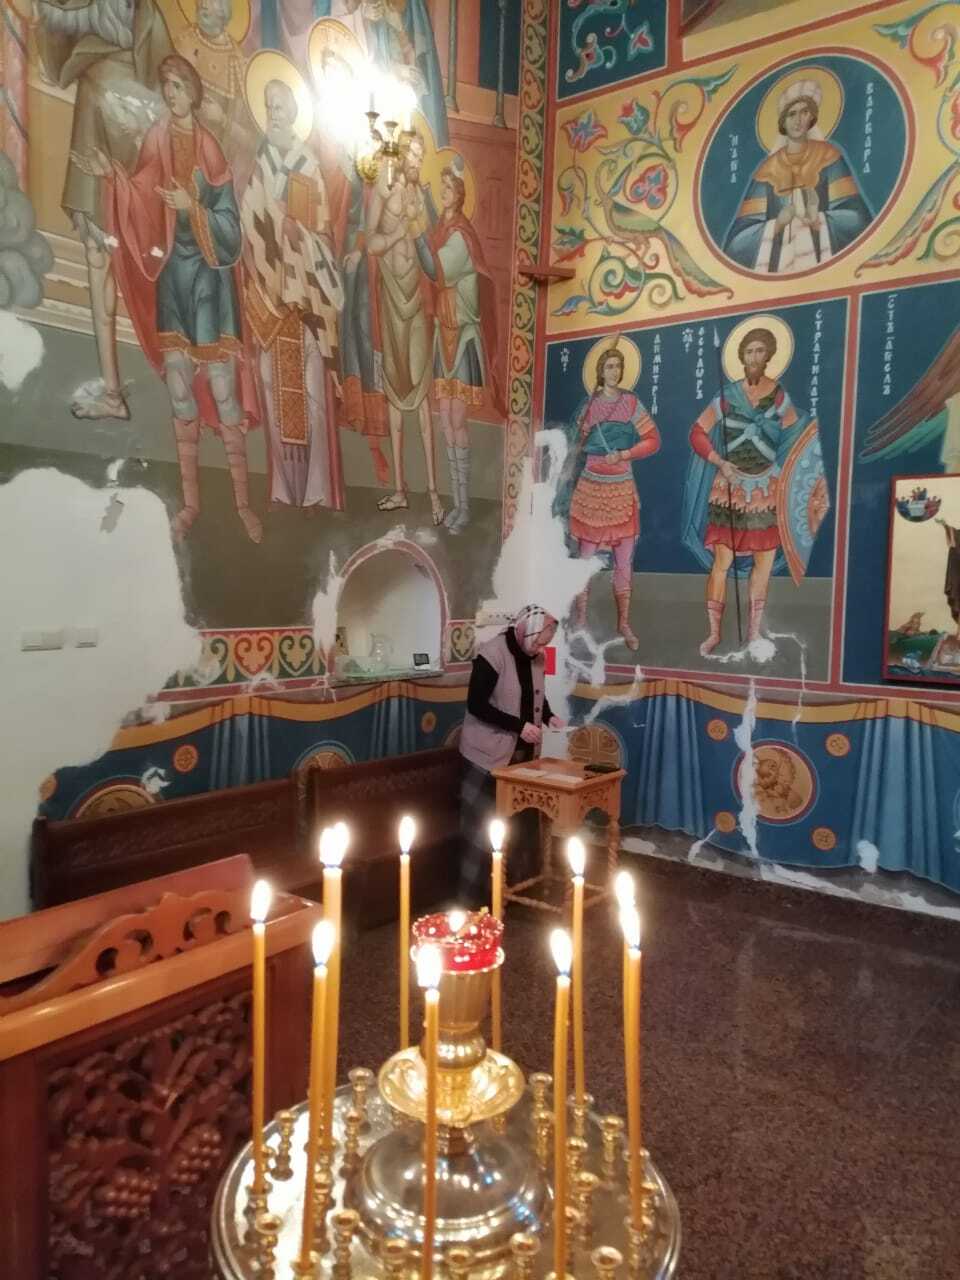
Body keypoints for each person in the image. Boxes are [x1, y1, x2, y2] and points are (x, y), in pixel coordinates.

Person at [75, 54, 262, 542]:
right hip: (173, 277)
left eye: (178, 86)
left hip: (210, 281)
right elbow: (141, 193)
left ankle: (243, 504)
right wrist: (111, 175)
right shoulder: (157, 137)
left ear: (193, 92)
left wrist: (193, 205)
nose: (171, 94)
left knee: (222, 388)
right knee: (179, 385)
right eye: (167, 86)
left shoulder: (210, 148)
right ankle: (191, 505)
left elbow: (230, 228)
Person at [33, 0, 172, 420]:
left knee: (126, 261)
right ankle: (112, 392)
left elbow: (169, 85)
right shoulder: (101, 12)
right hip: (99, 128)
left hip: (136, 148)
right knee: (97, 258)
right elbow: (57, 21)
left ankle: (130, 390)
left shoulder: (147, 16)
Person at [241, 77, 345, 511]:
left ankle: (316, 489)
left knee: (313, 398)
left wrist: (298, 231)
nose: (274, 113)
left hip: (306, 303)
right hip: (272, 298)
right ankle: (284, 490)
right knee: (271, 389)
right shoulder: (260, 167)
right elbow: (249, 224)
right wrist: (272, 224)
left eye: (280, 105)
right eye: (268, 106)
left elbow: (323, 236)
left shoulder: (309, 168)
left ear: (295, 112)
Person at [685, 327, 805, 654]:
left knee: (763, 564)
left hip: (765, 489)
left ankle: (752, 633)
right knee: (721, 562)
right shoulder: (728, 396)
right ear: (742, 356)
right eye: (749, 351)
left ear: (769, 356)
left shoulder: (779, 397)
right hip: (730, 488)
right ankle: (714, 633)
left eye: (759, 351)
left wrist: (783, 469)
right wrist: (719, 461)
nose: (754, 357)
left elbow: (796, 436)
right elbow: (697, 432)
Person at [457, 606, 565, 906]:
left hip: (520, 757)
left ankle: (513, 892)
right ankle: (473, 901)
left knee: (520, 826)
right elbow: (477, 705)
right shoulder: (492, 654)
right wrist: (519, 726)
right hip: (484, 756)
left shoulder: (536, 657)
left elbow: (534, 694)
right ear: (525, 631)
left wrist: (549, 717)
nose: (542, 648)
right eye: (539, 641)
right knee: (481, 830)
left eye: (546, 643)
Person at [366, 130, 444, 524]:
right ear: (399, 156)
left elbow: (429, 256)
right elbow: (371, 244)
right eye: (412, 155)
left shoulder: (419, 197)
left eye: (420, 156)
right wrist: (400, 229)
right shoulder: (382, 191)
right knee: (396, 394)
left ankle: (433, 491)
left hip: (415, 299)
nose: (416, 163)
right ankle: (400, 490)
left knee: (421, 389)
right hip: (390, 299)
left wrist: (418, 227)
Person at [564, 343, 661, 650]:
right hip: (592, 487)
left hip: (621, 487)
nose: (614, 371)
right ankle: (581, 620)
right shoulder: (589, 405)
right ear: (600, 372)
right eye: (609, 366)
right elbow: (576, 443)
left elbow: (653, 440)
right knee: (585, 560)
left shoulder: (631, 403)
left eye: (618, 366)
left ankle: (624, 623)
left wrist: (624, 454)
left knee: (623, 561)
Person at [426, 155, 504, 533]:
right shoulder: (441, 231)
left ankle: (464, 505)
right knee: (445, 419)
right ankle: (457, 503)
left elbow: (438, 270)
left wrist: (413, 238)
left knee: (457, 420)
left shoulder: (459, 236)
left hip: (461, 334)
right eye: (440, 187)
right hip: (443, 333)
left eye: (449, 188)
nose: (444, 193)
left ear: (460, 194)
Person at [723, 78, 872, 275]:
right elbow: (737, 243)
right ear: (783, 122)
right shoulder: (768, 170)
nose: (798, 120)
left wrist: (819, 220)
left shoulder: (829, 157)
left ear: (812, 117)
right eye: (792, 114)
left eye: (804, 112)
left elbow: (859, 220)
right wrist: (778, 224)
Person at [173, 0, 257, 190]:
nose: (203, 4)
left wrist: (222, 119)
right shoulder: (185, 39)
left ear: (224, 11)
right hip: (176, 144)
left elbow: (250, 141)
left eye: (211, 1)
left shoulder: (235, 61)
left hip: (211, 166)